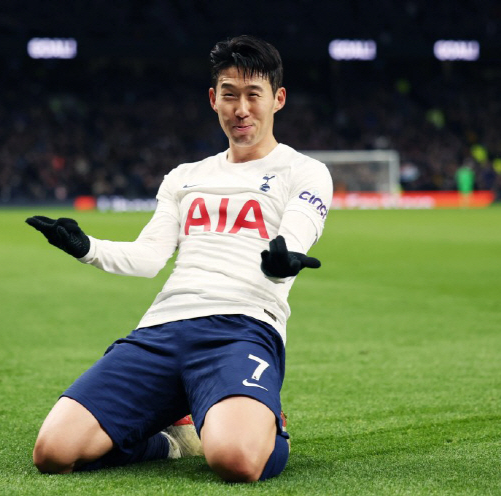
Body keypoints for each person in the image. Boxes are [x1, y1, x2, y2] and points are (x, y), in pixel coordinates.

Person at [27, 35, 333, 483]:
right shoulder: (185, 177)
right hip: (162, 328)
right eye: (229, 94)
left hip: (242, 326)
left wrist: (282, 257)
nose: (241, 108)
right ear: (214, 99)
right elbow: (149, 257)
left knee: (236, 463)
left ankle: (269, 421)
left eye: (254, 95)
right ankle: (172, 440)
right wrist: (86, 247)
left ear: (278, 99)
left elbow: (297, 230)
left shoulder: (305, 171)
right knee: (53, 453)